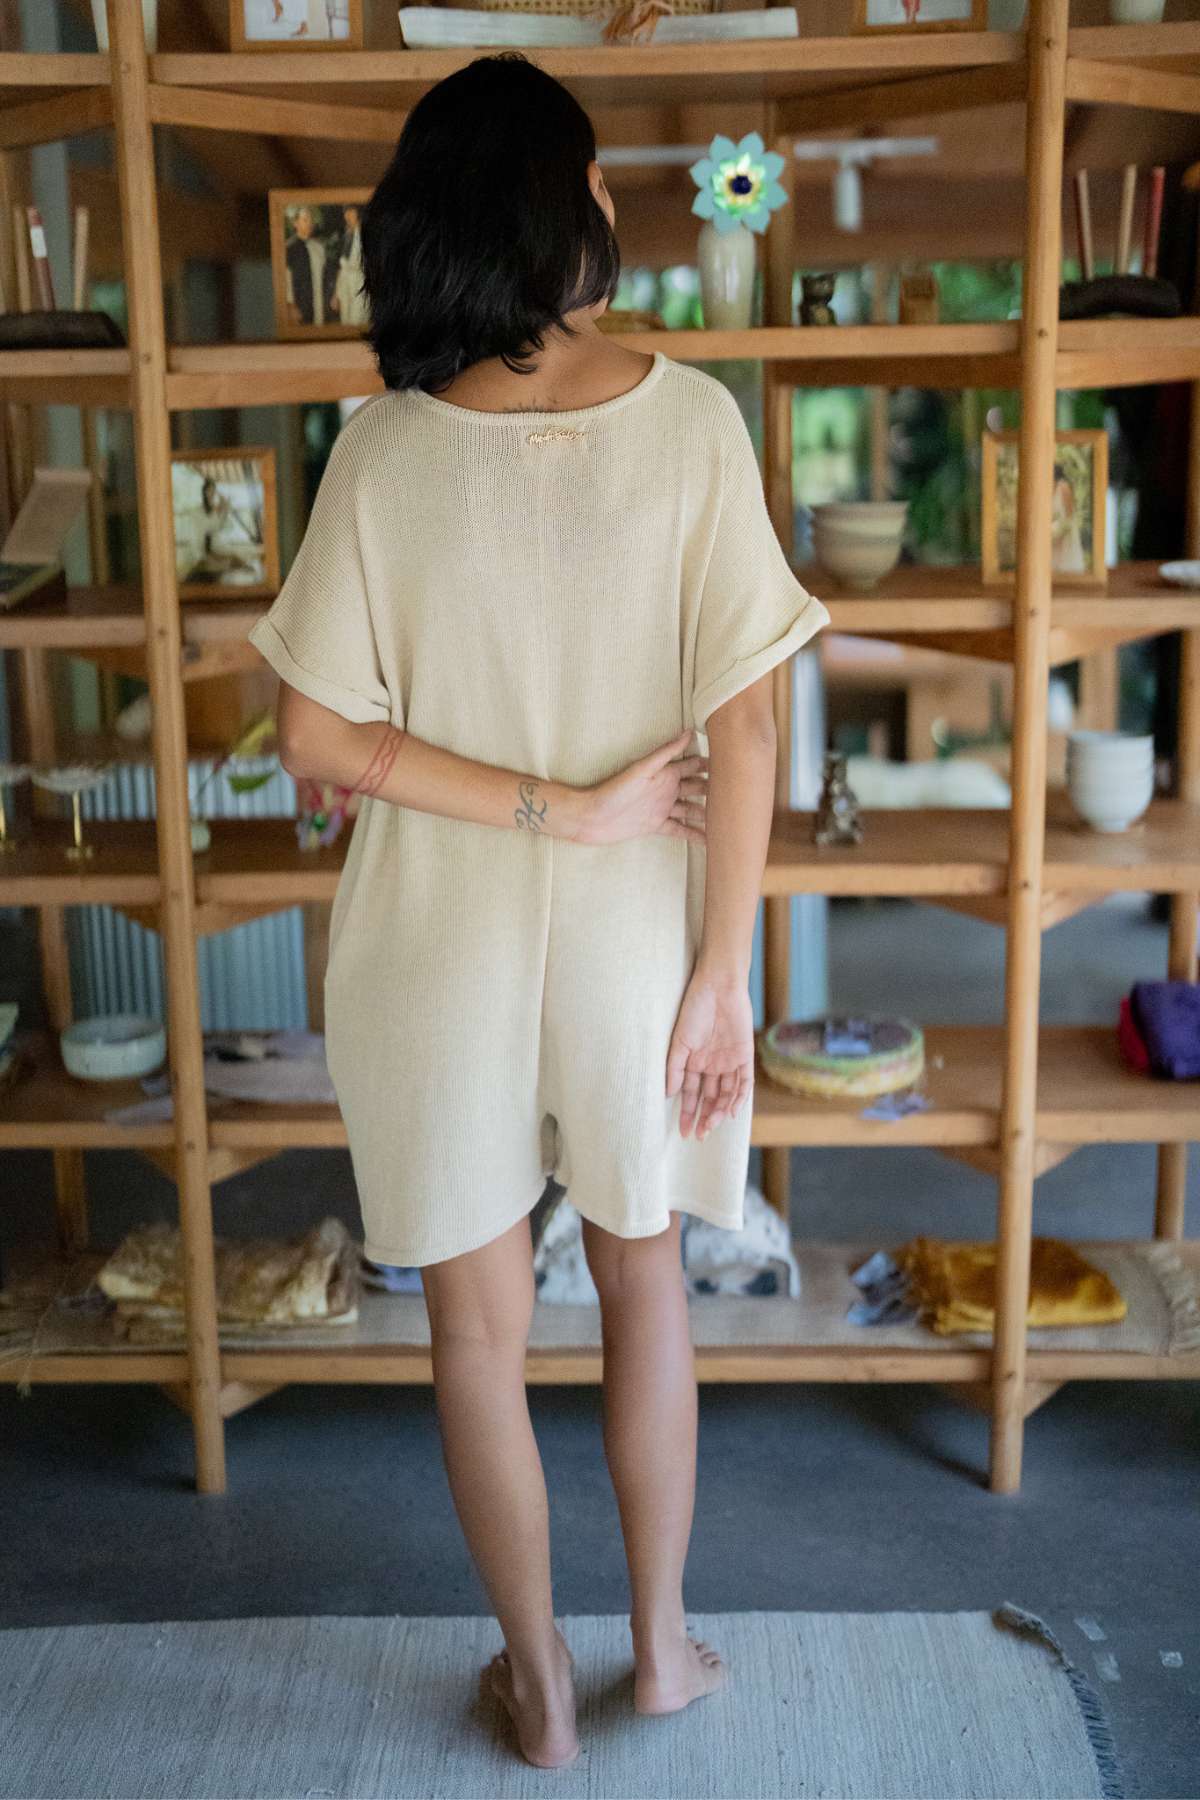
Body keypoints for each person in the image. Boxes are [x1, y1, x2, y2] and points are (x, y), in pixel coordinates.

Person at [246, 53, 829, 1772]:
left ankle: (540, 1688)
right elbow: (752, 721)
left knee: (478, 1331)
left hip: (433, 947)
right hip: (641, 939)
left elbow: (311, 735)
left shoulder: (383, 450)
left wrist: (538, 808)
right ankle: (657, 1650)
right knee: (643, 1284)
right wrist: (724, 979)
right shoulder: (692, 415)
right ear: (563, 200)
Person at [1051, 461, 1087, 573]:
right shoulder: (1050, 486)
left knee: (1066, 550)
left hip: (1065, 523)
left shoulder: (1063, 486)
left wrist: (1064, 526)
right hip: (1055, 524)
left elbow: (1069, 510)